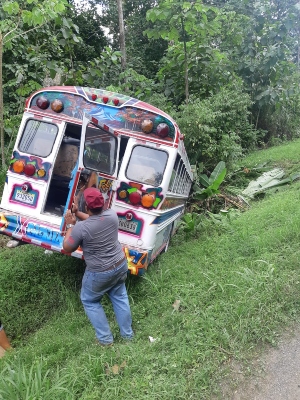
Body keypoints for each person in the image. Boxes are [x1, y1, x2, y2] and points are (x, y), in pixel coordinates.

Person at [63, 187, 134, 346]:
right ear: (102, 204)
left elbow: (68, 247)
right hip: (120, 264)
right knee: (120, 296)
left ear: (87, 207)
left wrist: (70, 225)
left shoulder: (81, 228)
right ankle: (128, 337)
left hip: (100, 273)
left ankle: (106, 340)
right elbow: (93, 218)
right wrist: (77, 213)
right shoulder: (112, 215)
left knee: (89, 300)